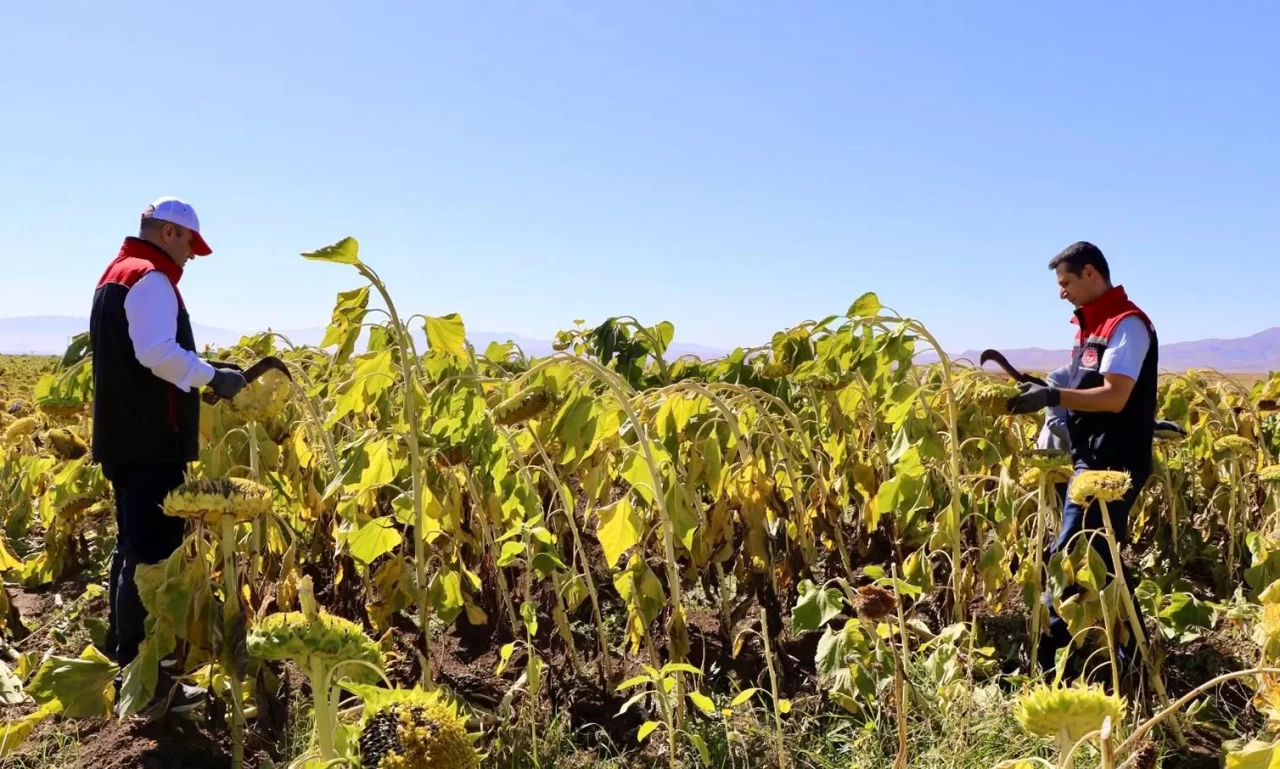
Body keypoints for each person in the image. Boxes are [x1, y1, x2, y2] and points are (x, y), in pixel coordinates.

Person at [90, 197, 247, 712]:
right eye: (189, 247)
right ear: (169, 233)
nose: (190, 260)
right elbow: (155, 353)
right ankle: (145, 683)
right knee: (151, 560)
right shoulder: (151, 277)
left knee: (132, 551)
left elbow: (146, 353)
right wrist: (210, 377)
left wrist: (203, 365)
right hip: (150, 440)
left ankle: (131, 666)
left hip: (126, 436)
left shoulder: (118, 274)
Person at [1006, 241, 1159, 683]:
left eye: (1066, 282)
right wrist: (1048, 388)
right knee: (1102, 557)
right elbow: (1086, 383)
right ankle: (1135, 654)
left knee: (1071, 557)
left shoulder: (1126, 325)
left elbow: (1114, 395)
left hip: (1111, 464)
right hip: (1089, 457)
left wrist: (1052, 397)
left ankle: (1050, 662)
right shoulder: (1091, 327)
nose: (1062, 293)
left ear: (1091, 274)